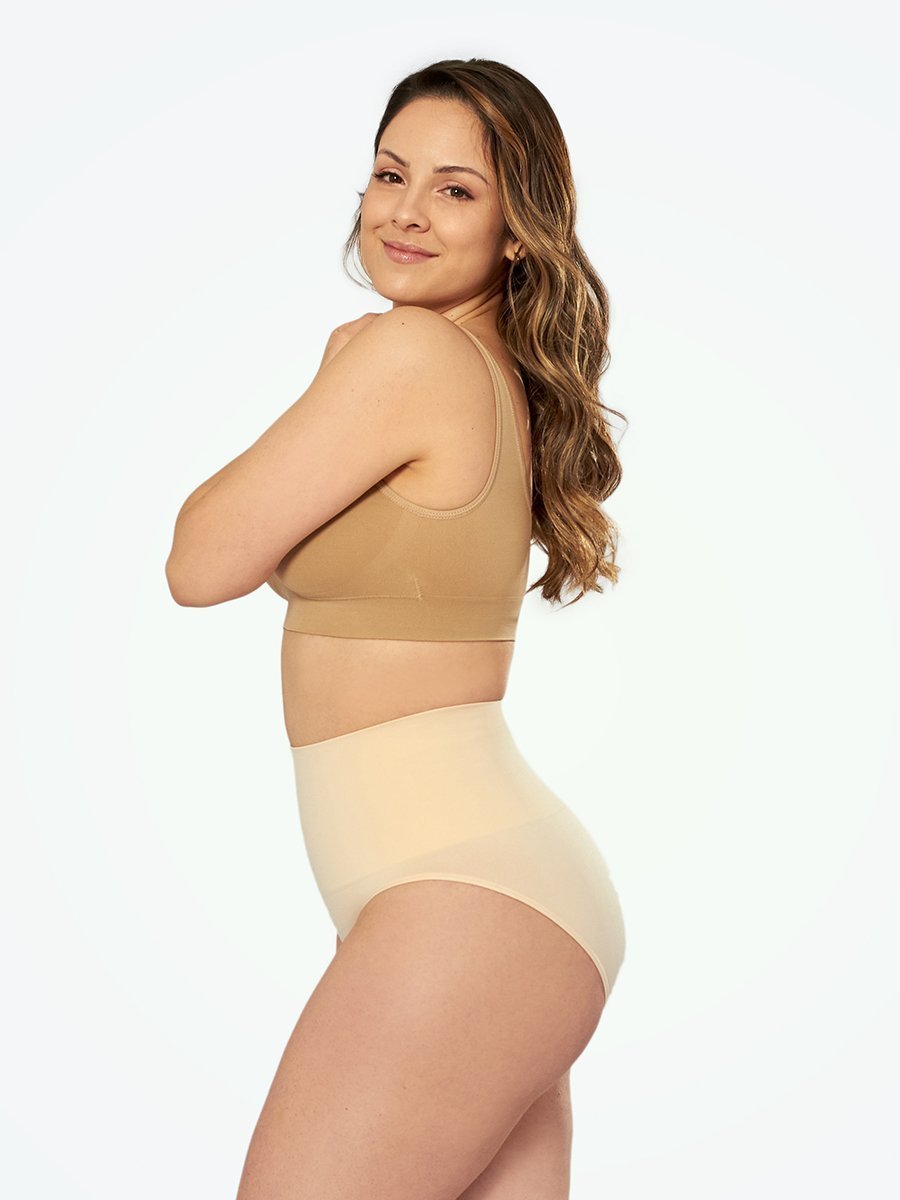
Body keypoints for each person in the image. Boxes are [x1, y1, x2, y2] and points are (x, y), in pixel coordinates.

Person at [166, 57, 628, 1200]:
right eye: (390, 174)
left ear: (517, 230)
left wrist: (349, 370)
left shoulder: (409, 355)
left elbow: (200, 561)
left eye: (455, 189)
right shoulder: (466, 364)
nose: (407, 212)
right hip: (489, 895)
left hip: (461, 895)